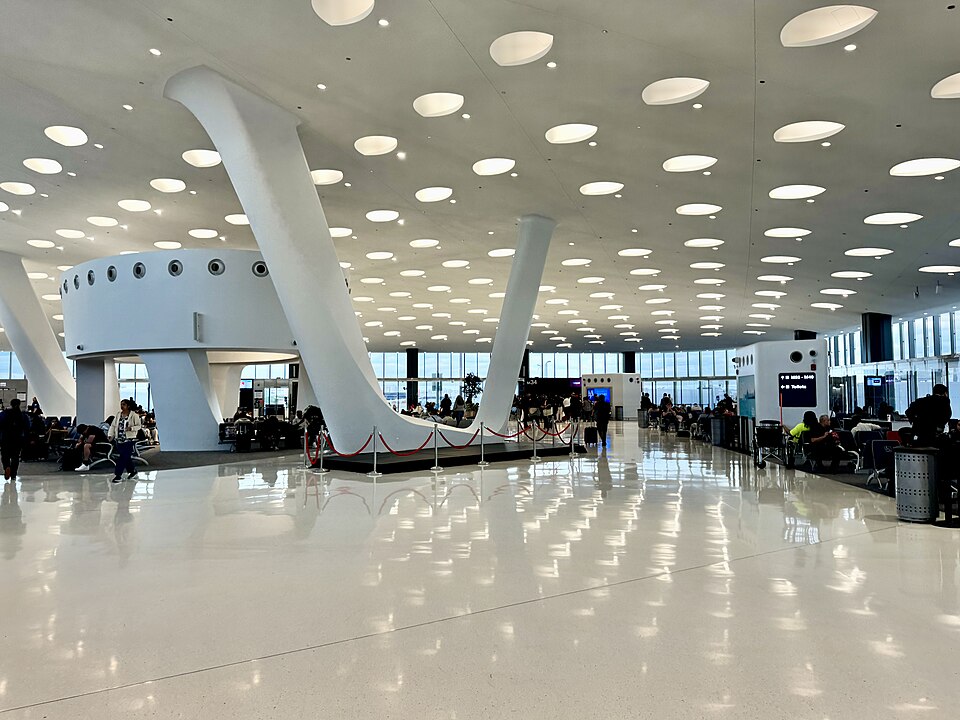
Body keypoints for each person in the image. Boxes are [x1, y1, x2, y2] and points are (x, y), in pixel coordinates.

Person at [107, 399, 142, 483]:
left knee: (122, 457)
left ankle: (118, 475)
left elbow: (139, 426)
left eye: (124, 404)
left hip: (129, 439)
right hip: (119, 439)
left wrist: (131, 428)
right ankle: (133, 471)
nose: (122, 406)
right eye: (121, 404)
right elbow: (113, 425)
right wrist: (110, 434)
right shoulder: (118, 415)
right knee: (126, 457)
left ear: (128, 406)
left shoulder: (134, 415)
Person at [0, 399, 30, 481]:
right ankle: (13, 475)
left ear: (11, 404)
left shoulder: (5, 413)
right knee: (15, 457)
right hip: (17, 438)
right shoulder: (23, 415)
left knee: (5, 455)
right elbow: (27, 427)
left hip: (6, 438)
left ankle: (7, 467)